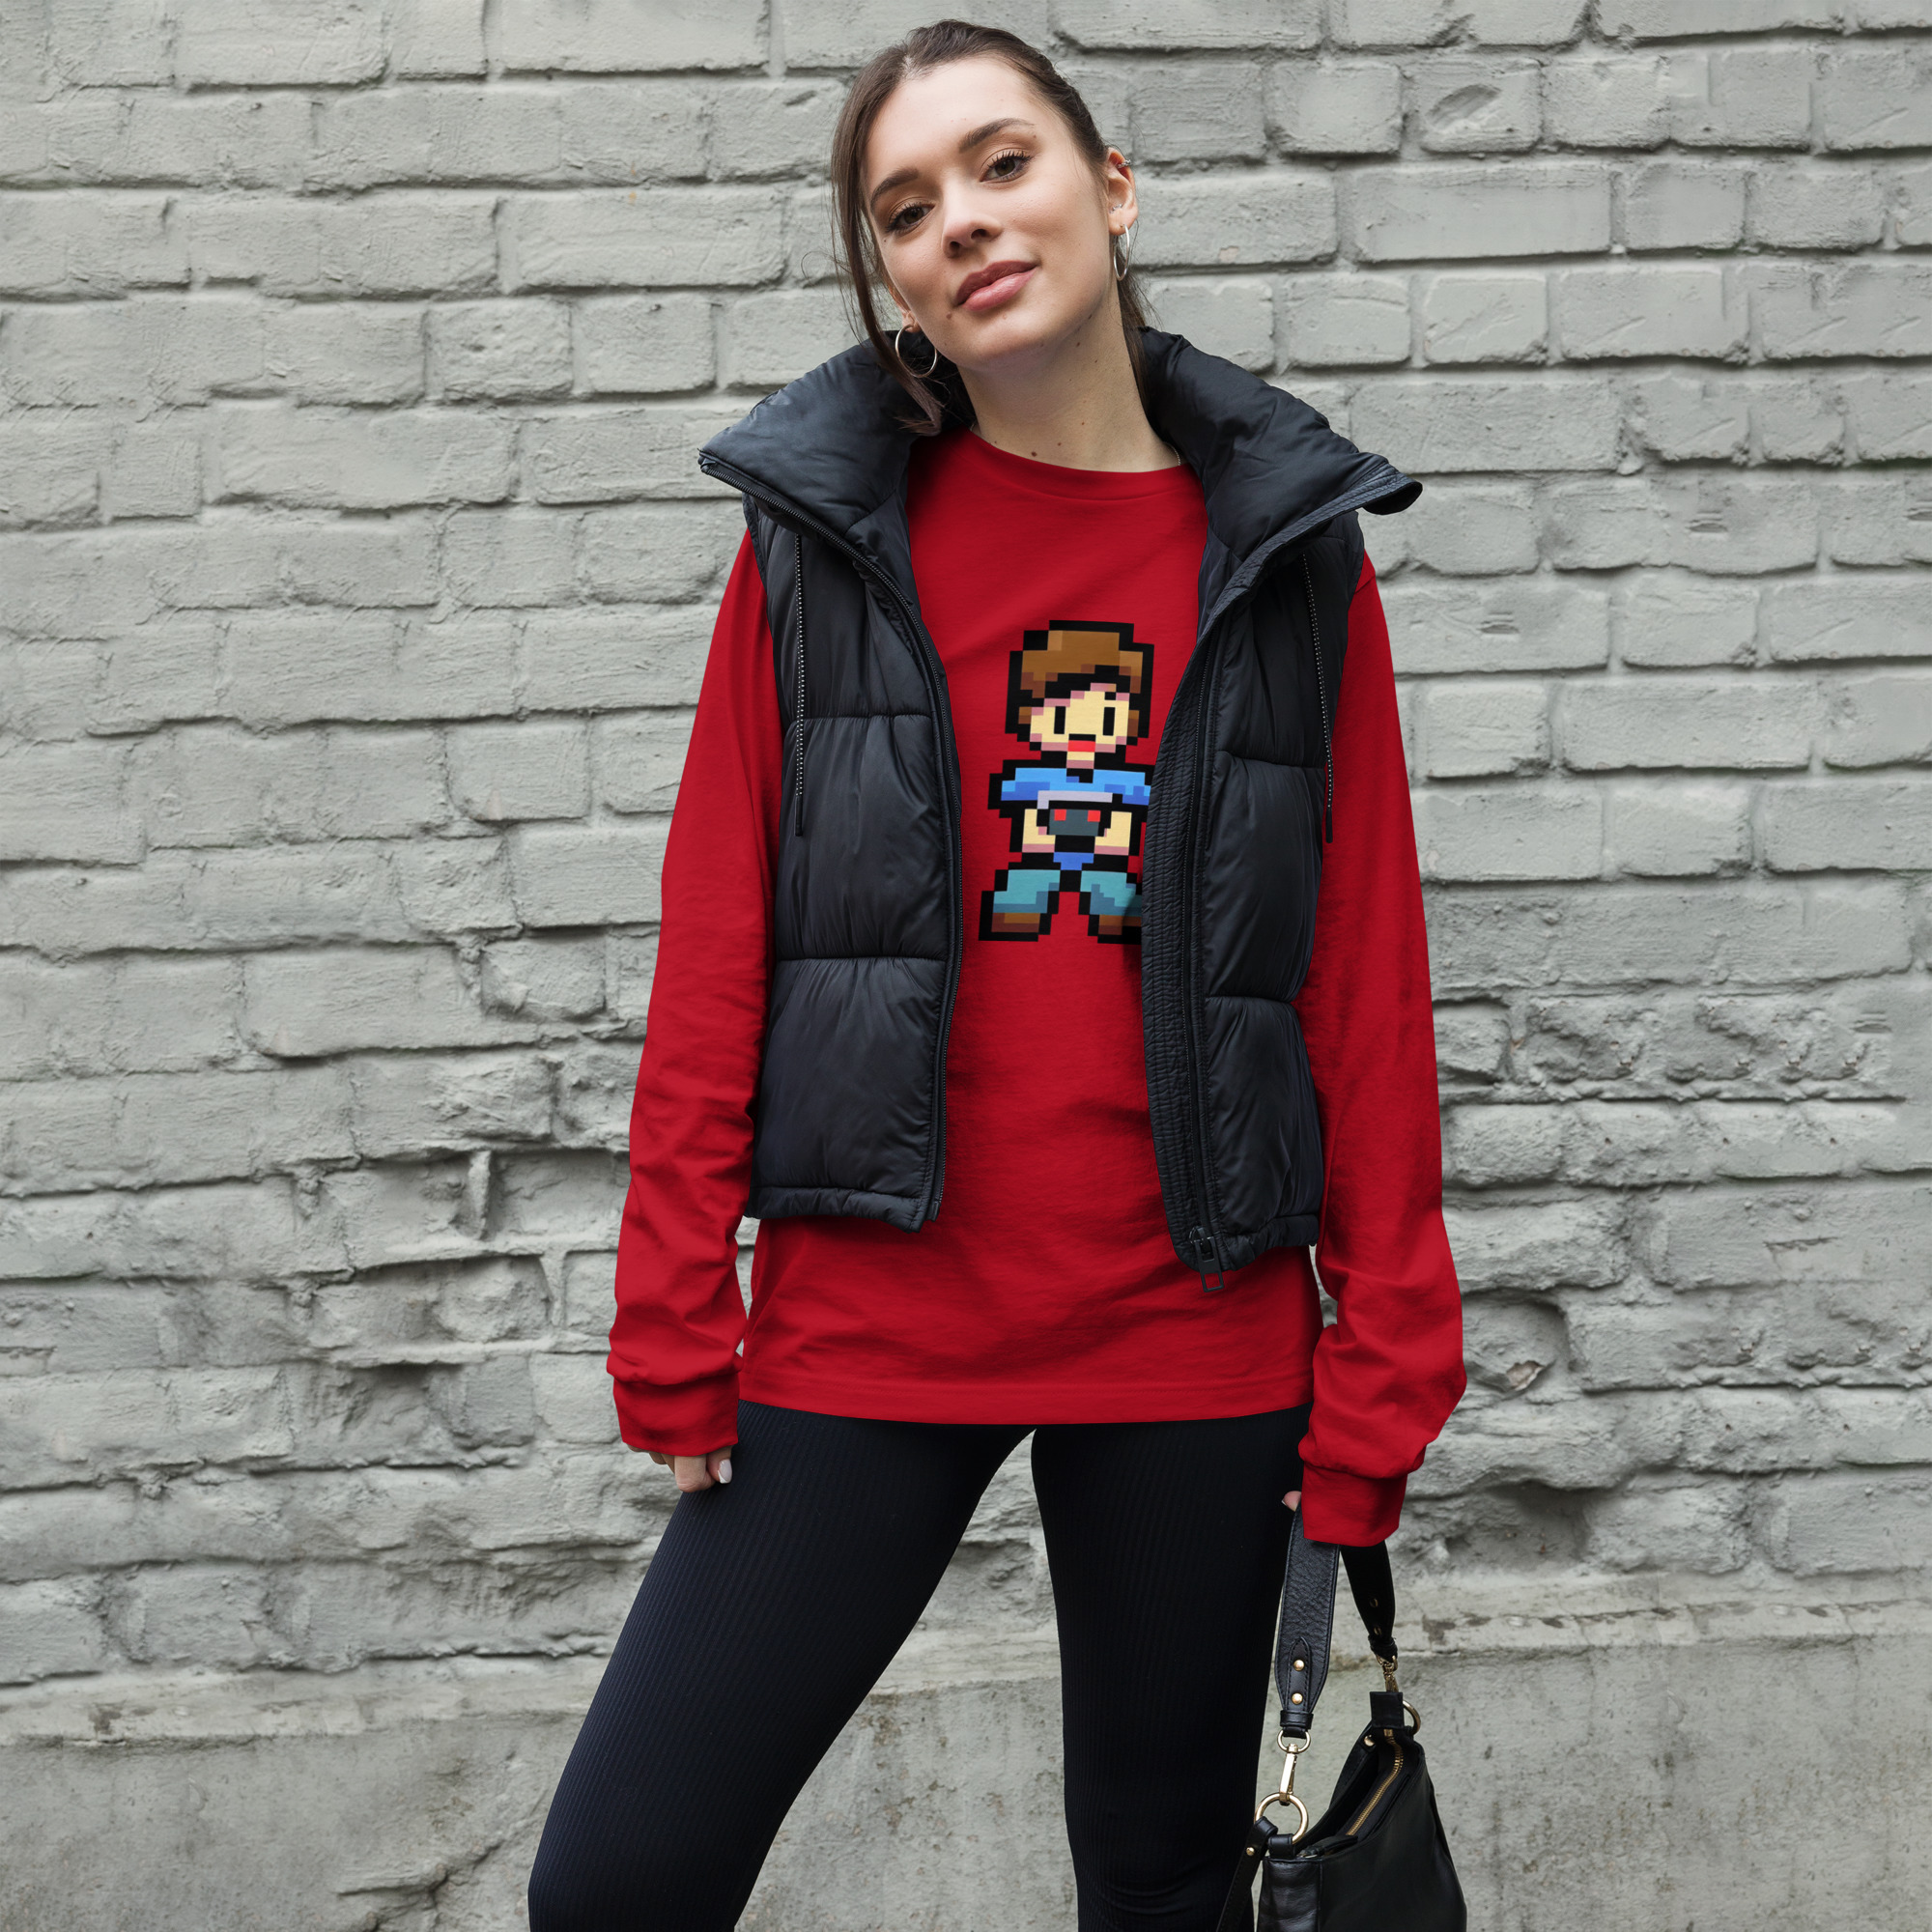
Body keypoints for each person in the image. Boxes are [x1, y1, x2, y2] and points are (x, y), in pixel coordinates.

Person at [526, 20, 1464, 1931]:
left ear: (1111, 189)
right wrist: (670, 1300)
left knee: (1160, 1884)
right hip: (874, 1317)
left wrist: (1385, 1361)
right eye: (904, 207)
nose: (960, 219)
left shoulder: (1288, 556)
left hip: (1191, 1328)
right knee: (618, 1881)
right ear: (890, 279)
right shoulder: (817, 545)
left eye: (1001, 162)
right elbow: (719, 936)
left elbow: (1363, 975)